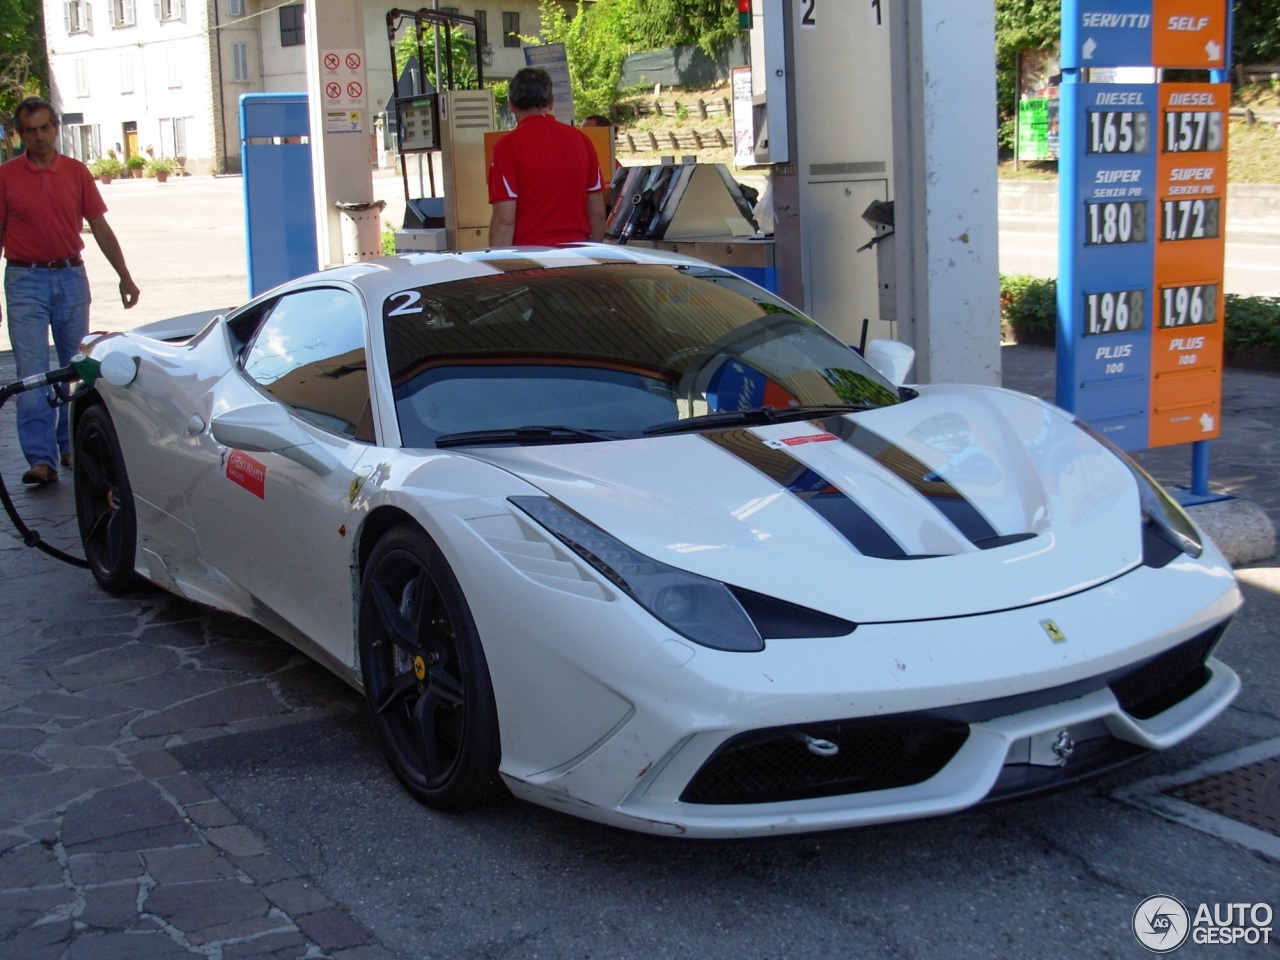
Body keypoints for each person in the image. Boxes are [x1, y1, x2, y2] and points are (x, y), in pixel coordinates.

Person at [0, 96, 139, 485]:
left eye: (46, 128)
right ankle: (40, 458)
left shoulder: (76, 173)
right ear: (20, 134)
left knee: (74, 367)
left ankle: (70, 446)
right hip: (24, 279)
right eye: (31, 130)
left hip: (70, 277)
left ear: (56, 129)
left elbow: (99, 226)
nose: (40, 137)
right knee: (31, 371)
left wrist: (124, 275)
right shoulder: (6, 177)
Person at [487, 68, 605, 247]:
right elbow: (596, 212)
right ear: (551, 102)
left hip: (530, 258)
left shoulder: (506, 147)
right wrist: (591, 253)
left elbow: (505, 221)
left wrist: (499, 265)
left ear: (511, 104)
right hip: (578, 255)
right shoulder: (582, 141)